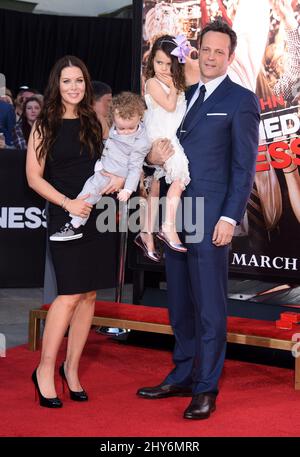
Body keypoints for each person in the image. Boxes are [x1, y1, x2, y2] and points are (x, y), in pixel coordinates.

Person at [137, 20, 260, 420]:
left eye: (219, 52)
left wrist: (230, 215)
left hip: (211, 219)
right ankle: (183, 374)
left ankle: (206, 387)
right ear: (197, 51)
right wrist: (151, 158)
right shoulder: (180, 93)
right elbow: (157, 147)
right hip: (175, 214)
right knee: (179, 304)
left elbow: (244, 167)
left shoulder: (242, 100)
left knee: (209, 307)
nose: (211, 57)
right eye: (205, 49)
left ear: (230, 56)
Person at [26, 55, 125, 408]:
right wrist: (68, 204)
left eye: (79, 81)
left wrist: (117, 180)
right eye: (67, 81)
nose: (74, 87)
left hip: (97, 216)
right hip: (66, 216)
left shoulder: (94, 120)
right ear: (57, 85)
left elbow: (113, 162)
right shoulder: (45, 125)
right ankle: (44, 370)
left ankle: (71, 368)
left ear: (86, 84)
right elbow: (33, 177)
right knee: (67, 295)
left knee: (88, 297)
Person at [49, 91, 151, 241]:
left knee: (88, 193)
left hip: (115, 174)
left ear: (140, 117)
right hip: (104, 167)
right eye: (121, 128)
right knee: (88, 193)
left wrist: (128, 188)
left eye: (130, 128)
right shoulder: (113, 124)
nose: (125, 132)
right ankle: (74, 224)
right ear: (113, 118)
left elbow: (135, 167)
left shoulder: (141, 142)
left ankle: (74, 225)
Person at [135, 34, 190, 263]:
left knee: (155, 190)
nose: (164, 68)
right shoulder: (152, 83)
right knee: (179, 178)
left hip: (167, 137)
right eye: (159, 63)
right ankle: (167, 227)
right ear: (151, 62)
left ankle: (146, 234)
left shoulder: (174, 83)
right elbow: (168, 106)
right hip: (159, 138)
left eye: (169, 64)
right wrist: (175, 86)